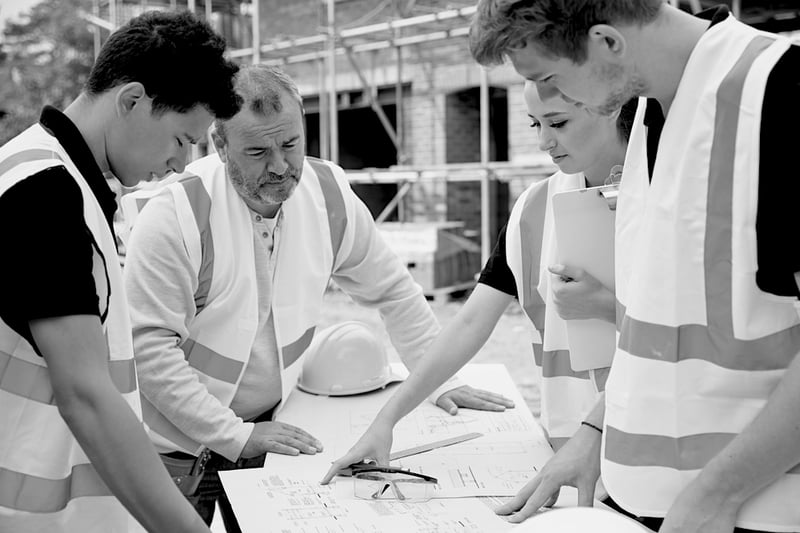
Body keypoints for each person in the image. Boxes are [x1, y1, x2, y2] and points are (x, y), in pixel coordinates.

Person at [121, 63, 513, 532]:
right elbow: (149, 350)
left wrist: (438, 379)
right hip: (178, 451)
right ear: (220, 146)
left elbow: (393, 289)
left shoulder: (327, 194)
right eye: (258, 151)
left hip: (271, 430)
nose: (281, 167)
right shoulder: (176, 215)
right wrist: (235, 435)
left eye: (290, 145)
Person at [470, 1, 800, 532]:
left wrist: (715, 495)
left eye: (553, 78)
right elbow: (659, 322)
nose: (559, 101)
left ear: (607, 42)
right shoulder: (649, 116)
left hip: (757, 510)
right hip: (666, 506)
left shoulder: (779, 96)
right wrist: (595, 434)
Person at [322, 82, 635, 486]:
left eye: (557, 122)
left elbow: (699, 333)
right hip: (566, 448)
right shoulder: (533, 210)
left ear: (609, 104)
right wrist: (387, 420)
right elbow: (469, 324)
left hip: (650, 454)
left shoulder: (667, 200)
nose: (544, 141)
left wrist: (607, 307)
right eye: (535, 123)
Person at [0, 10, 239, 533]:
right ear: (132, 100)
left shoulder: (54, 177)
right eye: (180, 139)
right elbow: (85, 395)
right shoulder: (46, 194)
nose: (179, 164)